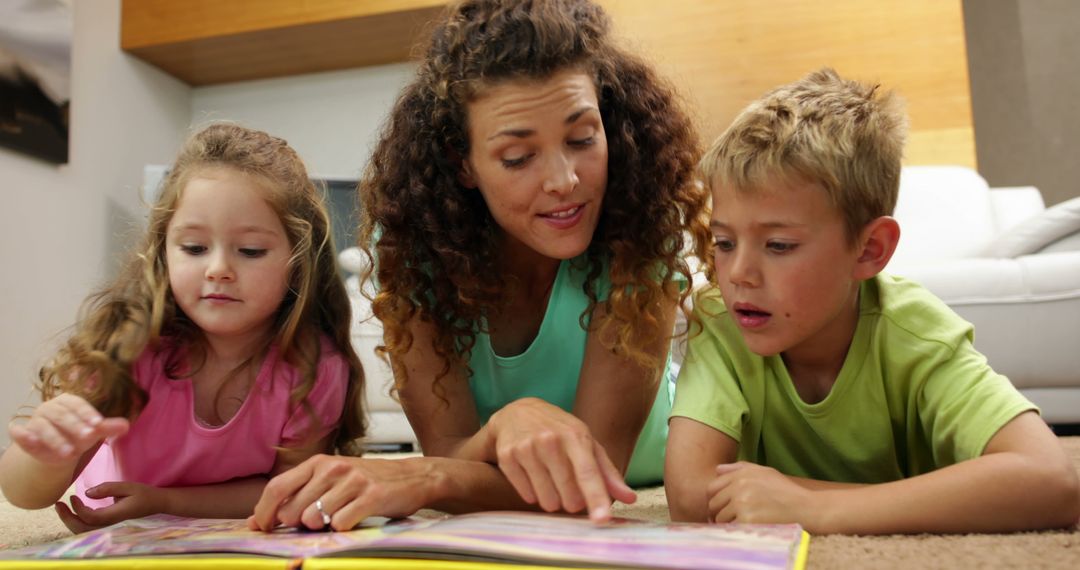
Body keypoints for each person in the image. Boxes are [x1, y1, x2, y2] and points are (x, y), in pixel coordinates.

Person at [248, 0, 709, 531]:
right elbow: (447, 446)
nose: (563, 180)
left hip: (640, 476)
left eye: (582, 139)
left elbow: (594, 476)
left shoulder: (639, 235)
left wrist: (421, 478)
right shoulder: (417, 252)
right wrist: (496, 432)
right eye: (518, 157)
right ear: (462, 162)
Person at [665, 68, 1080, 533]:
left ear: (869, 250)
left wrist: (813, 509)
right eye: (723, 243)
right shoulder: (720, 323)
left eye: (778, 245)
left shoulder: (917, 334)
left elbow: (1053, 479)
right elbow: (688, 496)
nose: (738, 273)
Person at [0, 123, 365, 533]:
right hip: (114, 504)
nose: (219, 269)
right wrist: (48, 452)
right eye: (193, 248)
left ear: (300, 264)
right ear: (163, 252)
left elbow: (286, 489)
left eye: (250, 251)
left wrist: (164, 502)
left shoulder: (317, 368)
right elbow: (22, 494)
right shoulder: (128, 346)